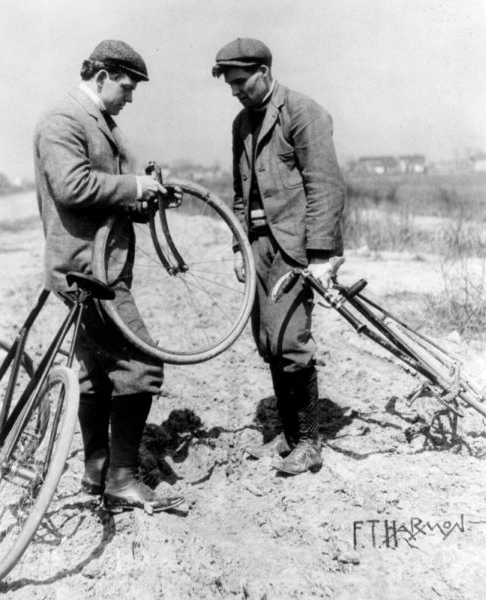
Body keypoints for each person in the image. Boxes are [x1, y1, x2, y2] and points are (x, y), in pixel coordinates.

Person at [33, 39, 183, 512]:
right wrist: (133, 184)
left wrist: (148, 198)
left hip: (99, 266)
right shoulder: (63, 120)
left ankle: (96, 470)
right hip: (88, 273)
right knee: (142, 367)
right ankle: (120, 478)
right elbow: (74, 187)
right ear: (101, 76)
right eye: (127, 85)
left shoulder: (101, 124)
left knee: (96, 374)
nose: (131, 96)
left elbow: (110, 200)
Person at [212, 38, 345, 475]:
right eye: (230, 85)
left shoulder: (303, 112)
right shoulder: (240, 125)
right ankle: (291, 439)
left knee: (289, 341)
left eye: (240, 81)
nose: (235, 91)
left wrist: (322, 256)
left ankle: (308, 441)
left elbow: (325, 186)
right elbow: (238, 193)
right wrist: (238, 246)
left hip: (296, 247)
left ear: (265, 72)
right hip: (258, 248)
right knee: (269, 344)